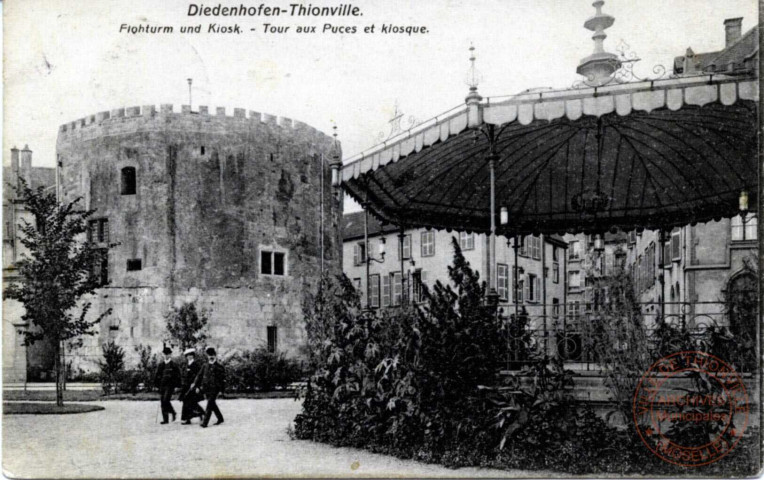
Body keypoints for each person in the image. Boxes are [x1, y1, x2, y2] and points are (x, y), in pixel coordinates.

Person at [192, 347, 226, 428]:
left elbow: (223, 380)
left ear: (215, 355)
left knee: (209, 404)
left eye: (212, 355)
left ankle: (205, 423)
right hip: (206, 388)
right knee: (212, 404)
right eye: (209, 355)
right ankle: (220, 418)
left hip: (215, 389)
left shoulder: (220, 367)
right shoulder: (205, 365)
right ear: (207, 356)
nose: (211, 357)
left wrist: (222, 390)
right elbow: (199, 376)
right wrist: (196, 385)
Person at [154, 346, 181, 424]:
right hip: (162, 385)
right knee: (162, 401)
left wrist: (177, 386)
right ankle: (165, 419)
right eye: (165, 354)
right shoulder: (161, 365)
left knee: (166, 400)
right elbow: (157, 376)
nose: (166, 355)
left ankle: (173, 412)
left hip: (170, 386)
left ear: (170, 355)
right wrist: (156, 385)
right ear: (163, 355)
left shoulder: (174, 365)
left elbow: (178, 376)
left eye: (168, 354)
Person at [179, 348, 205, 425]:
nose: (189, 357)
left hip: (193, 386)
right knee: (187, 401)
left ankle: (199, 413)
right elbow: (184, 376)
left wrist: (197, 387)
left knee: (191, 402)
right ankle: (190, 418)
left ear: (193, 356)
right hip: (186, 387)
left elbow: (199, 377)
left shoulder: (196, 365)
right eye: (187, 355)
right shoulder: (186, 364)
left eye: (190, 355)